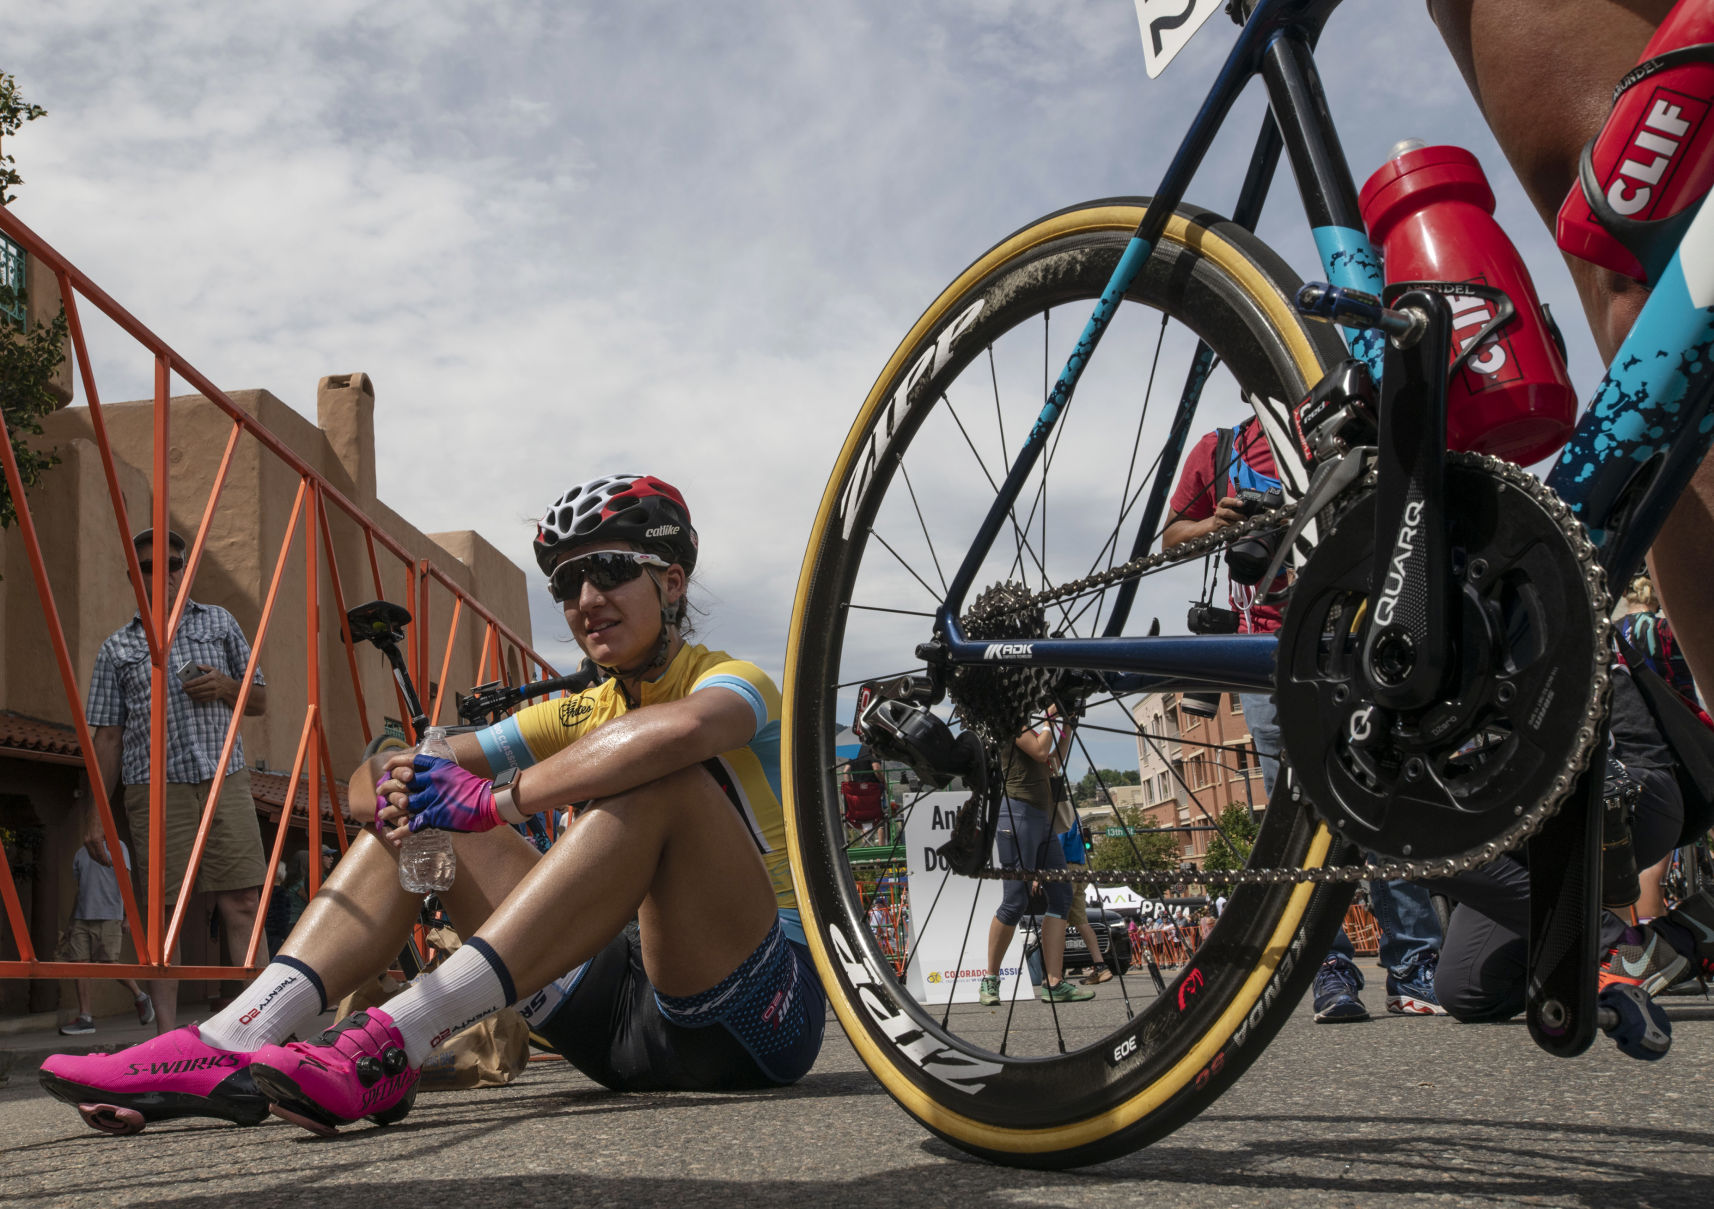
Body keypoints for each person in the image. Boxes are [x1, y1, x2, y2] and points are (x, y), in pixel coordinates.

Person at [40, 474, 825, 1136]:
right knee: (421, 806)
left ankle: (394, 1037)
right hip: (614, 1014)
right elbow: (380, 775)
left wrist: (500, 800)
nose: (586, 599)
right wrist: (394, 786)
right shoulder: (580, 710)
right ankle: (225, 1042)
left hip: (752, 1013)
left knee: (661, 775)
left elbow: (683, 730)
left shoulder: (735, 679)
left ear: (672, 581)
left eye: (612, 569)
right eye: (566, 583)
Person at [1165, 420, 1448, 1021]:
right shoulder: (1220, 449)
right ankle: (1328, 967)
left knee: (1384, 796)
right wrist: (1220, 524)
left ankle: (1415, 963)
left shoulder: (1348, 424)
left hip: (1359, 632)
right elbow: (1171, 536)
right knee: (1299, 814)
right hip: (1270, 652)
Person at [83, 527, 270, 1034]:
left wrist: (228, 686)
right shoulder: (117, 648)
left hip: (222, 778)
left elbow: (259, 698)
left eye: (173, 563)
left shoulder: (219, 622)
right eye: (148, 566)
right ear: (133, 576)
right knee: (164, 916)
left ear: (184, 570)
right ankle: (168, 1038)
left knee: (242, 902)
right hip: (154, 790)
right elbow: (108, 739)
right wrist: (98, 812)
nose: (162, 572)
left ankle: (258, 1028)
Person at [978, 706, 1094, 1005]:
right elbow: (1042, 751)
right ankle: (990, 979)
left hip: (1042, 818)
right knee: (1015, 900)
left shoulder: (1030, 728)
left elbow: (1053, 760)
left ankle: (1054, 983)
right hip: (1016, 814)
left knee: (1062, 896)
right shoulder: (1008, 721)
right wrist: (1049, 717)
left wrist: (1067, 726)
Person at [56, 838, 153, 1035]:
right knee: (79, 965)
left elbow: (126, 880)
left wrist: (129, 916)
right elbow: (80, 890)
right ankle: (85, 1018)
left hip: (109, 915)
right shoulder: (80, 853)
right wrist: (70, 923)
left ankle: (140, 996)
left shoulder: (118, 846)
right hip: (82, 918)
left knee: (107, 964)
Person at [1053, 798, 1111, 984]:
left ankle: (1056, 974)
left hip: (1065, 868)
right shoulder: (1075, 812)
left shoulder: (1060, 810)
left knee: (1058, 922)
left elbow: (1058, 845)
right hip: (1080, 868)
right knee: (1081, 921)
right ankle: (1100, 966)